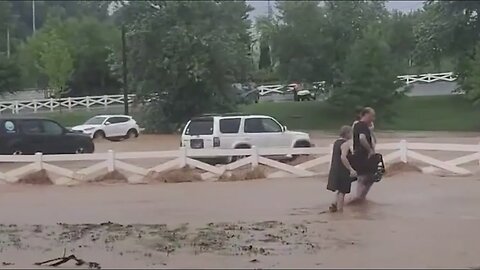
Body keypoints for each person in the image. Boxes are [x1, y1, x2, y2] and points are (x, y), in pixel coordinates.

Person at [327, 125, 357, 213]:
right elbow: (343, 157)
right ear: (347, 134)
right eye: (351, 133)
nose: (352, 135)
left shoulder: (336, 142)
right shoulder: (346, 144)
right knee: (342, 191)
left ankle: (334, 205)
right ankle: (340, 211)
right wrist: (351, 169)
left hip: (335, 168)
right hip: (342, 170)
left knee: (340, 190)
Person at [350, 107, 377, 203]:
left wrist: (371, 131)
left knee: (369, 177)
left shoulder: (363, 126)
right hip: (361, 155)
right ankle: (359, 198)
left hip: (362, 155)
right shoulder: (361, 125)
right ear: (365, 115)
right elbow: (362, 138)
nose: (373, 118)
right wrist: (370, 150)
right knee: (364, 178)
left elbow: (374, 140)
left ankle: (360, 198)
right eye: (372, 116)